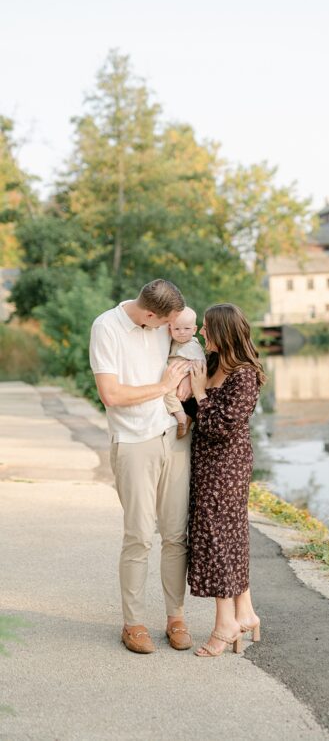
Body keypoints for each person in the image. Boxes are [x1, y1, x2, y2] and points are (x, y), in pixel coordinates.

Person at [88, 279, 194, 654]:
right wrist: (163, 384)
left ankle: (176, 617)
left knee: (176, 534)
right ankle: (133, 624)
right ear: (150, 314)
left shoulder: (165, 324)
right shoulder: (107, 327)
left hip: (175, 436)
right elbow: (111, 395)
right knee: (137, 536)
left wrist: (184, 383)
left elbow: (189, 347)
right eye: (165, 322)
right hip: (133, 443)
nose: (170, 328)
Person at [185, 303, 266, 657]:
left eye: (206, 328)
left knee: (217, 537)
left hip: (227, 466)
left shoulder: (244, 375)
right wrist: (188, 394)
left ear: (223, 333)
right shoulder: (215, 365)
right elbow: (196, 415)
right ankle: (245, 613)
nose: (202, 333)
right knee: (227, 535)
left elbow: (220, 427)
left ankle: (225, 623)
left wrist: (201, 393)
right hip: (205, 464)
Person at [163, 306, 205, 439]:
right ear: (170, 328)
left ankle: (182, 419)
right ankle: (183, 418)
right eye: (177, 329)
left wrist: (187, 376)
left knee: (168, 392)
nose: (181, 332)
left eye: (186, 329)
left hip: (185, 375)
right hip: (175, 374)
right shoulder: (171, 341)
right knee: (168, 393)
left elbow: (201, 365)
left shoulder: (192, 345)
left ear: (194, 330)